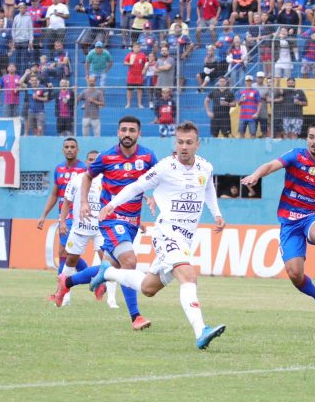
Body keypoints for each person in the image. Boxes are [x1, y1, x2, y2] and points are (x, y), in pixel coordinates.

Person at [88, 121, 227, 349]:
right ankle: (201, 330)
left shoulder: (205, 167)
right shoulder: (164, 167)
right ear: (175, 143)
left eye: (189, 143)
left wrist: (217, 214)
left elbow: (208, 188)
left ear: (197, 144)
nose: (184, 147)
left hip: (186, 238)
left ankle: (109, 272)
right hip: (166, 233)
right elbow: (136, 187)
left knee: (148, 288)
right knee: (188, 276)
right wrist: (111, 205)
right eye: (180, 142)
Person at [241, 123, 315, 327]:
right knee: (295, 274)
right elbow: (271, 165)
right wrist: (255, 175)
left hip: (313, 214)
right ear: (307, 139)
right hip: (289, 220)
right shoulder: (296, 156)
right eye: (312, 137)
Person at [75, 115, 159, 331]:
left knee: (112, 267)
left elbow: (161, 179)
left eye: (132, 130)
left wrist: (153, 197)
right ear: (118, 133)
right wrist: (84, 202)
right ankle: (136, 317)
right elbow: (87, 177)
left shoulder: (148, 157)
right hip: (111, 219)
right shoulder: (106, 157)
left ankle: (65, 284)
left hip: (132, 223)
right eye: (123, 130)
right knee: (129, 262)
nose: (127, 134)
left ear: (139, 133)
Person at [53, 149, 119, 310]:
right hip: (80, 227)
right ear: (86, 161)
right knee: (70, 261)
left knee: (108, 263)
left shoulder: (107, 180)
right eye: (90, 159)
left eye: (96, 160)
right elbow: (66, 202)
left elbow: (116, 202)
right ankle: (65, 295)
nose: (92, 162)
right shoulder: (77, 179)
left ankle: (111, 299)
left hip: (101, 229)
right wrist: (62, 222)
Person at [37, 137, 89, 305]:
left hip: (76, 218)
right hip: (63, 218)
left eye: (72, 147)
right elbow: (54, 194)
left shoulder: (84, 170)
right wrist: (44, 215)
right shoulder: (58, 169)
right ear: (62, 150)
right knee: (64, 254)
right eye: (66, 147)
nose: (69, 149)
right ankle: (94, 278)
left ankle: (62, 292)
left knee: (65, 254)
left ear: (77, 150)